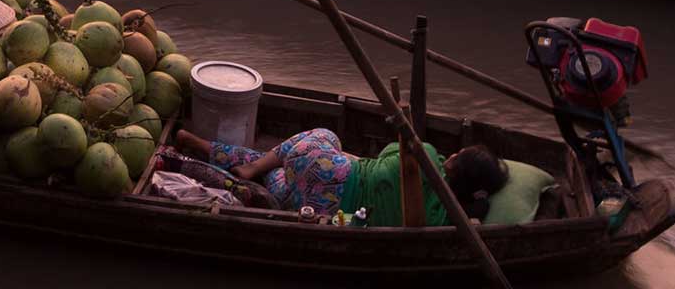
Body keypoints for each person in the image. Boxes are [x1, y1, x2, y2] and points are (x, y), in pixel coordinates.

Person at [175, 128, 509, 227]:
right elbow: (474, 221)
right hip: (332, 215)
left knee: (326, 136)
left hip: (323, 167)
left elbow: (385, 155)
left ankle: (216, 152)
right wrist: (475, 207)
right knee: (279, 176)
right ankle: (250, 171)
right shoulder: (444, 219)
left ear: (454, 160)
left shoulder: (426, 157)